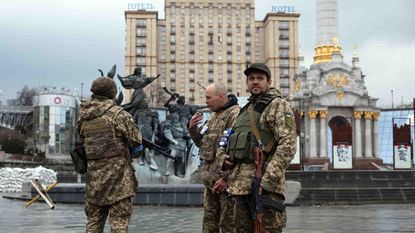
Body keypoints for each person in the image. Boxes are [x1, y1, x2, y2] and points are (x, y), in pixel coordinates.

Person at [223, 63, 296, 233]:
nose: (255, 82)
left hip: (264, 188)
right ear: (247, 83)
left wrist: (268, 180)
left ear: (268, 82)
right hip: (239, 188)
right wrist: (225, 163)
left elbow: (288, 145)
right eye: (251, 79)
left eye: (260, 78)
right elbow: (231, 143)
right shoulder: (244, 110)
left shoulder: (277, 105)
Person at [76, 76, 142, 233]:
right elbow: (137, 149)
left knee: (93, 224)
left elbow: (85, 142)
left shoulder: (83, 118)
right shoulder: (120, 115)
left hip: (94, 182)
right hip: (119, 182)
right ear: (112, 94)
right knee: (119, 224)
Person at [188, 83, 240, 233]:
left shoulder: (235, 115)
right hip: (210, 184)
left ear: (221, 96)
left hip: (225, 185)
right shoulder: (213, 116)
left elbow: (236, 151)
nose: (205, 101)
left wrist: (226, 177)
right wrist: (192, 129)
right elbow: (203, 145)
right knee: (209, 226)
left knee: (228, 226)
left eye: (208, 97)